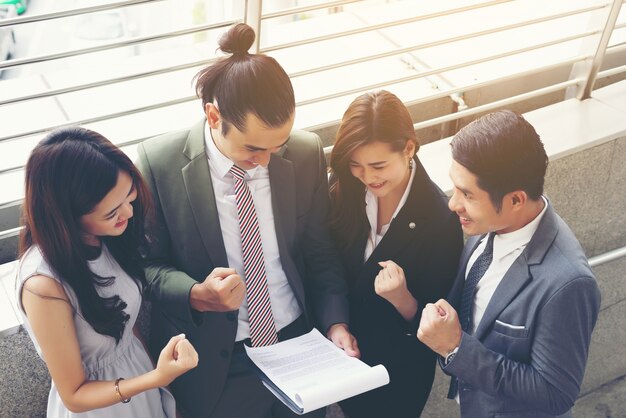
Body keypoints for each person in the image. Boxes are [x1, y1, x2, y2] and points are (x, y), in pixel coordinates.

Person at [136, 23, 359, 418]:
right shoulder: (160, 164)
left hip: (299, 344)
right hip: (216, 362)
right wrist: (195, 292)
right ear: (213, 115)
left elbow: (319, 252)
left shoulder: (306, 153)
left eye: (279, 145)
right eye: (253, 148)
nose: (266, 161)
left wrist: (336, 325)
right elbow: (147, 266)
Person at [417, 110, 602, 417]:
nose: (453, 204)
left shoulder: (568, 283)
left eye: (467, 194)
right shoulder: (489, 226)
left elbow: (555, 393)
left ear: (516, 200)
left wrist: (457, 349)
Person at [16, 127, 199, 417]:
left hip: (140, 385)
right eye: (111, 212)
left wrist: (159, 390)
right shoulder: (43, 284)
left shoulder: (107, 239)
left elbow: (128, 327)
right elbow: (74, 395)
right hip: (98, 407)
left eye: (130, 195)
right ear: (67, 216)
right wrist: (157, 379)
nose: (128, 212)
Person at [328, 90, 463, 418]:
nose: (368, 177)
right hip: (338, 357)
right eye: (357, 165)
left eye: (378, 165)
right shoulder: (344, 187)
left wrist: (402, 298)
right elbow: (327, 263)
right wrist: (335, 324)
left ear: (409, 149)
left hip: (396, 376)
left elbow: (439, 325)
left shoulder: (440, 219)